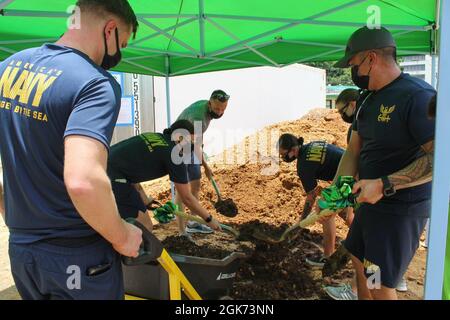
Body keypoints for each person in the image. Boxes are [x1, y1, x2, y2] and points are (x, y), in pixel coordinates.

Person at [0, 0, 142, 300]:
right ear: (110, 29)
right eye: (123, 43)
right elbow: (82, 180)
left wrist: (9, 207)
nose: (120, 53)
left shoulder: (8, 68)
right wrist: (122, 236)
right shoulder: (94, 84)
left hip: (24, 253)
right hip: (78, 258)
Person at [325, 26, 435, 300]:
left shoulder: (417, 97)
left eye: (353, 64)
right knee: (361, 264)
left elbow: (439, 159)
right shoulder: (368, 98)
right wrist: (337, 192)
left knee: (378, 283)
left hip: (397, 211)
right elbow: (353, 150)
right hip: (369, 206)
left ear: (371, 58)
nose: (353, 71)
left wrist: (384, 184)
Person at [107, 120, 221, 234]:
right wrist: (209, 219)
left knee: (121, 220)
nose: (192, 146)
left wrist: (146, 201)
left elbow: (130, 170)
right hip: (112, 178)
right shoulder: (175, 156)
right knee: (144, 227)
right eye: (191, 141)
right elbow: (187, 198)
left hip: (102, 166)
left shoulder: (155, 136)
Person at [278, 134, 353, 267]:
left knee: (325, 212)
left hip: (348, 176)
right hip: (355, 167)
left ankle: (328, 257)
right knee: (342, 211)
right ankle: (367, 240)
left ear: (294, 150)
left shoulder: (303, 166)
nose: (284, 158)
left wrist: (301, 222)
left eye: (284, 155)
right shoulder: (313, 145)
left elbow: (311, 197)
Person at [175, 90, 230, 235]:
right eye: (217, 109)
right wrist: (206, 166)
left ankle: (192, 223)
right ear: (209, 102)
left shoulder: (207, 109)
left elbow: (197, 141)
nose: (219, 112)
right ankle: (181, 231)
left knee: (196, 185)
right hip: (178, 147)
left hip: (190, 144)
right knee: (182, 191)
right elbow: (196, 144)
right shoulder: (199, 116)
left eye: (223, 109)